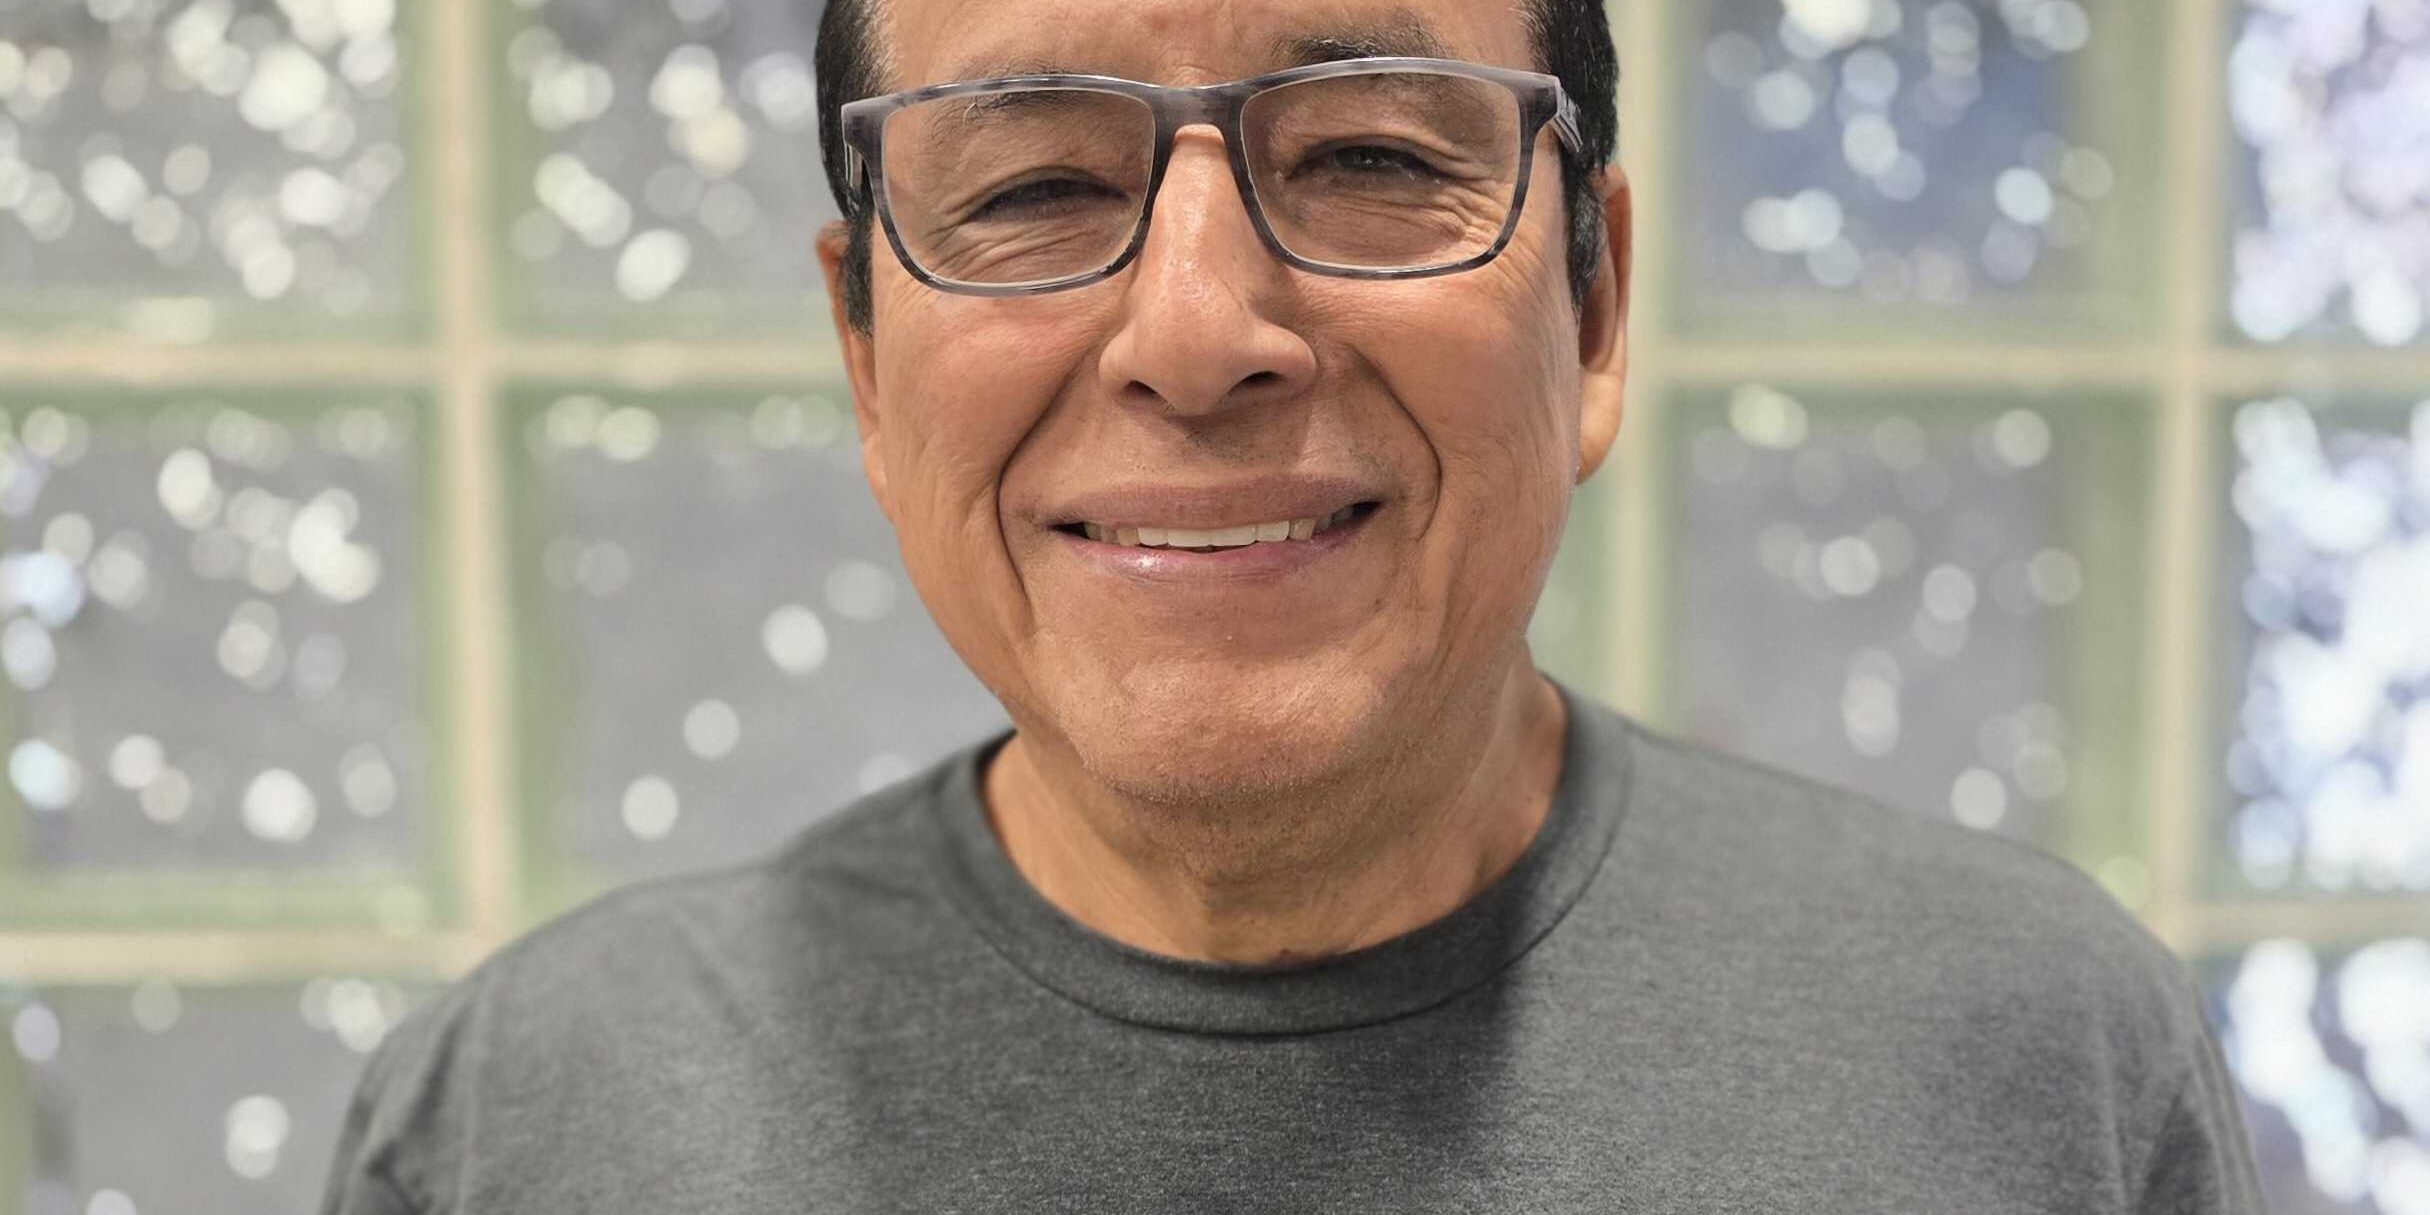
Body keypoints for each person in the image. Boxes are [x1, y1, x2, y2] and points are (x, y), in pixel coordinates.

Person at [321, 1, 2264, 1210]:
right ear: (862, 353)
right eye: (1028, 191)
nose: (1196, 332)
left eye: (1364, 157)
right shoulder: (531, 1116)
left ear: (1591, 300)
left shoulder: (2027, 1048)